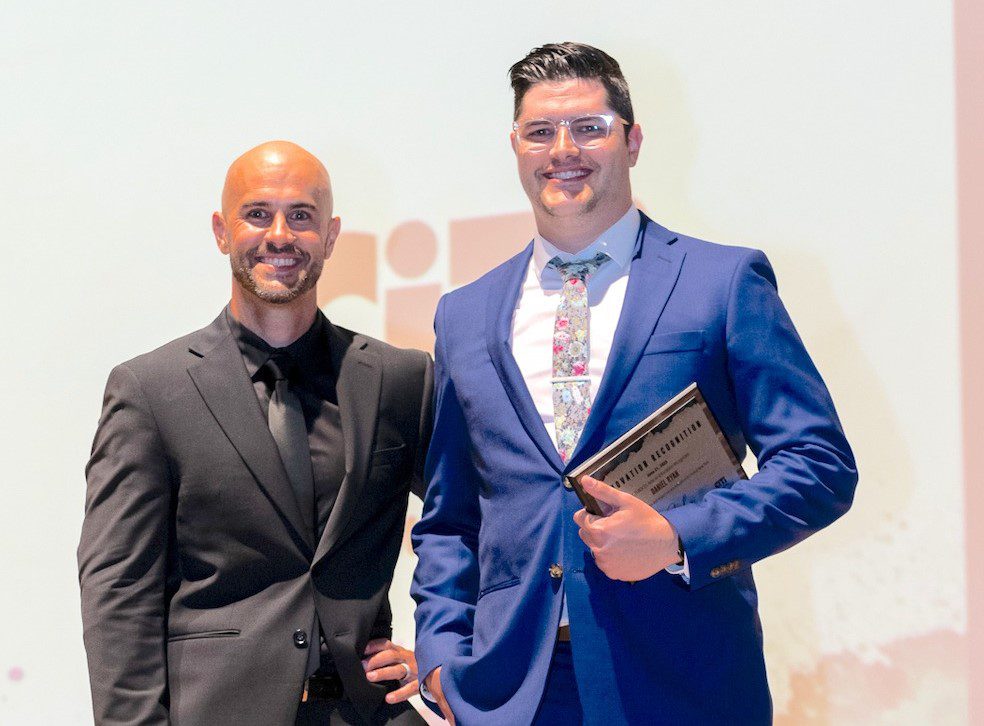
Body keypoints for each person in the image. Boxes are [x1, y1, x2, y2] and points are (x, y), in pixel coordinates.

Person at [411, 43, 858, 725]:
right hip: (512, 693)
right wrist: (441, 654)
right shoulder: (464, 314)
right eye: (540, 131)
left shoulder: (723, 282)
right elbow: (450, 517)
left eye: (589, 127)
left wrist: (678, 536)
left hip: (682, 679)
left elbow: (820, 467)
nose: (564, 149)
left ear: (633, 139)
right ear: (516, 147)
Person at [78, 141, 432, 726]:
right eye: (257, 214)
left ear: (332, 233)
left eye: (301, 216)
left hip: (368, 712)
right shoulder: (150, 390)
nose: (280, 235)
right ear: (222, 230)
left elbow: (475, 521)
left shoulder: (399, 379)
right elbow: (118, 590)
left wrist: (450, 652)